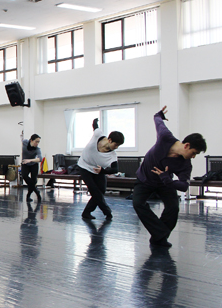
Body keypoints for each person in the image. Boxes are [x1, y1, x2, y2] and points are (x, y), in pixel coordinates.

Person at [133, 106, 206, 248]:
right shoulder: (165, 137)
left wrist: (167, 179)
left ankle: (158, 238)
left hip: (164, 183)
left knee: (173, 207)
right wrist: (159, 114)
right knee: (138, 204)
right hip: (144, 179)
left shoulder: (185, 164)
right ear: (187, 145)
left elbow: (184, 186)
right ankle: (161, 234)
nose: (194, 156)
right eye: (194, 152)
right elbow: (157, 120)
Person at [76, 118, 125, 220]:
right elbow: (95, 126)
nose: (116, 147)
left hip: (98, 169)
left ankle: (86, 213)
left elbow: (115, 169)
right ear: (109, 140)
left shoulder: (112, 156)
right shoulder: (98, 135)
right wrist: (95, 121)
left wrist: (103, 171)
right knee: (94, 190)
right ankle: (107, 212)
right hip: (84, 166)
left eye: (118, 146)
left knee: (101, 190)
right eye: (115, 145)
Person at [21, 132, 42, 202]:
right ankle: (37, 192)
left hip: (33, 165)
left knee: (34, 181)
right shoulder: (25, 142)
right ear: (31, 140)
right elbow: (22, 139)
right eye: (36, 141)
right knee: (24, 176)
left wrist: (30, 160)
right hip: (24, 163)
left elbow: (40, 159)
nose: (37, 143)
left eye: (38, 142)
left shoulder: (37, 149)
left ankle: (28, 196)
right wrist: (22, 135)